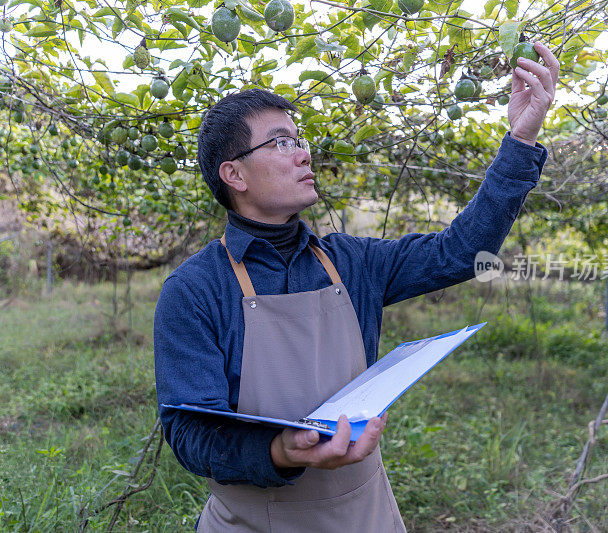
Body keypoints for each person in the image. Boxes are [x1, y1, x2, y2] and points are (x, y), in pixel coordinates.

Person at [154, 42, 560, 532]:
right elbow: (190, 433)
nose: (303, 152)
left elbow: (459, 254)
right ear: (233, 174)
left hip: (365, 516)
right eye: (281, 142)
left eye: (300, 139)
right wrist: (280, 450)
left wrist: (520, 140)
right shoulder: (195, 290)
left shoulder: (350, 262)